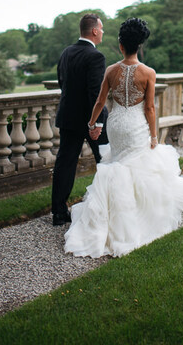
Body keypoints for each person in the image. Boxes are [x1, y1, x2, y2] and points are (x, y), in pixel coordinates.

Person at [64, 18, 183, 257]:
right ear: (138, 46)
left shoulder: (111, 71)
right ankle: (136, 221)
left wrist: (92, 124)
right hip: (136, 126)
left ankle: (108, 220)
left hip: (116, 125)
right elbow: (149, 109)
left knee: (118, 165)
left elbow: (100, 102)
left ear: (121, 45)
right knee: (139, 168)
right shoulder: (148, 73)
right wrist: (153, 135)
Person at [51, 13, 109, 226]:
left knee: (64, 164)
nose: (102, 32)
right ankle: (108, 208)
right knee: (106, 161)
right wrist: (97, 123)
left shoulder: (67, 52)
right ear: (94, 31)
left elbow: (61, 81)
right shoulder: (96, 57)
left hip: (67, 117)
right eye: (101, 29)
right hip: (89, 121)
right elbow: (96, 94)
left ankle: (58, 212)